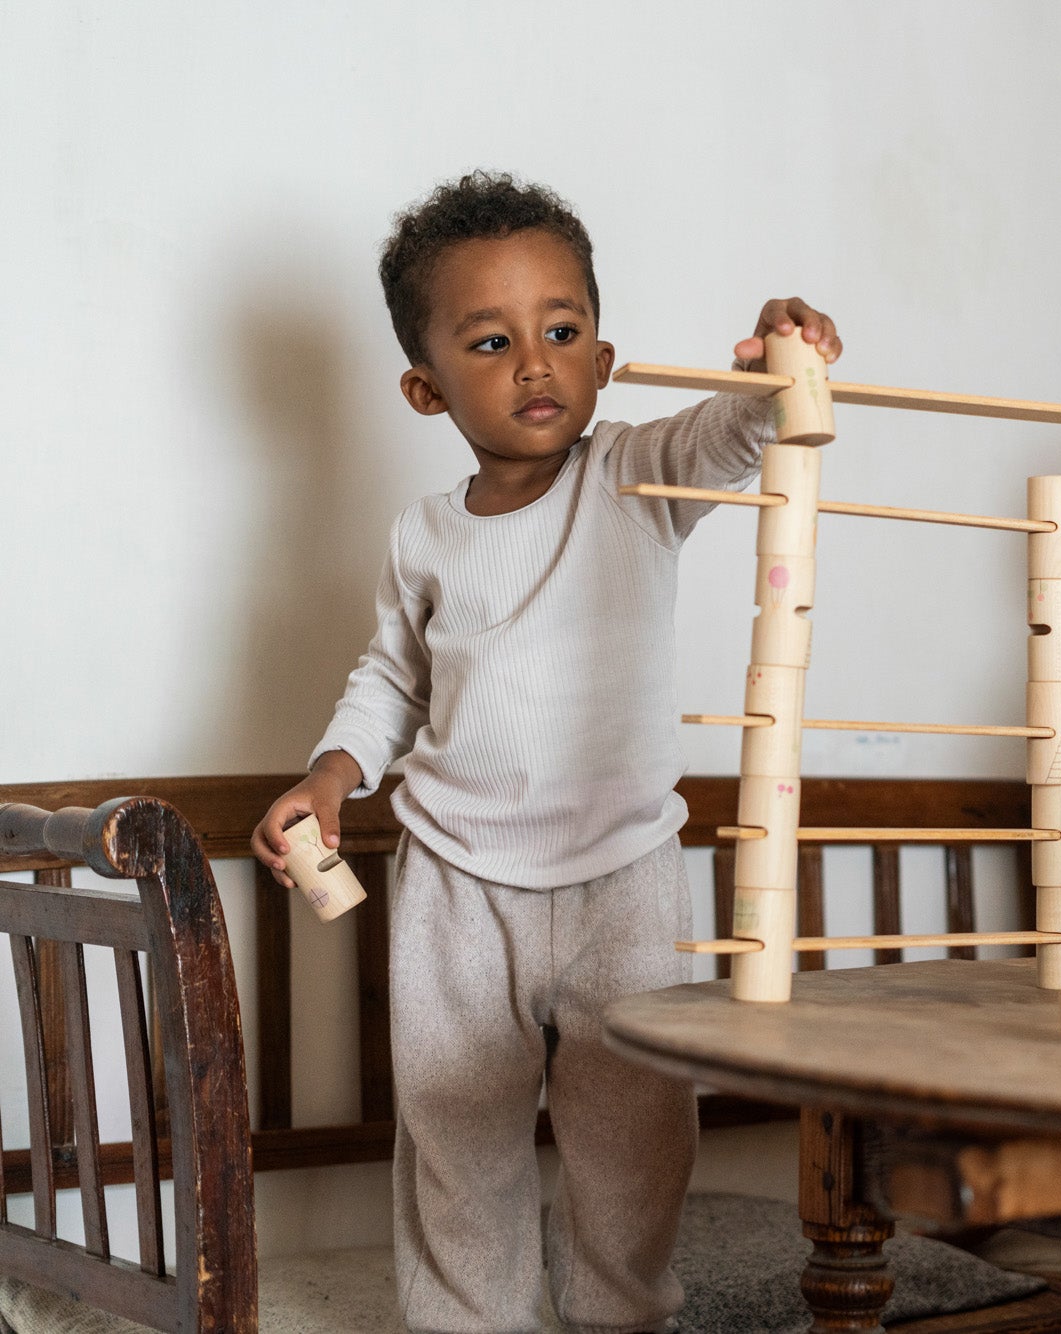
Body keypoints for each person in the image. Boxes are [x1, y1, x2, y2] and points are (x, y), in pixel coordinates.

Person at [250, 170, 840, 1334]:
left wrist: (782, 351)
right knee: (456, 1132)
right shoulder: (424, 534)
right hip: (455, 882)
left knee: (634, 1136)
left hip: (622, 873)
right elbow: (390, 680)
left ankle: (622, 1315)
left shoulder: (634, 476)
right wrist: (329, 773)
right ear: (425, 389)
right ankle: (470, 1322)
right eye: (491, 340)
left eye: (561, 331)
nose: (535, 362)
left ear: (606, 359)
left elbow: (742, 426)